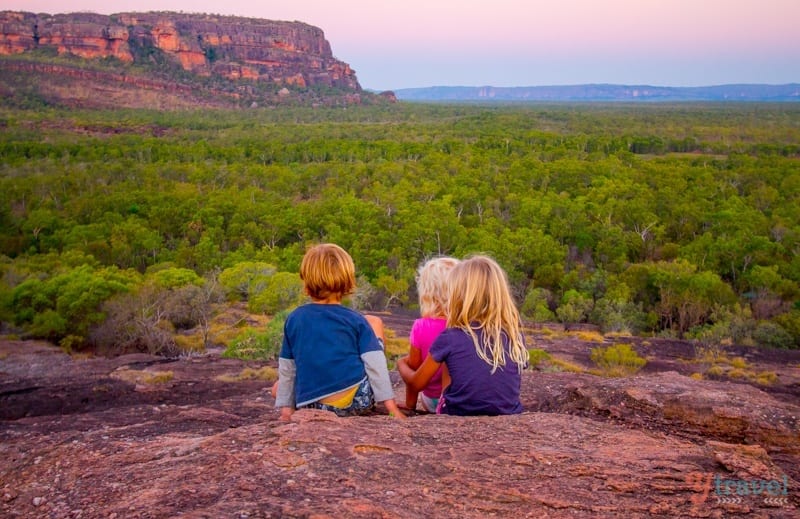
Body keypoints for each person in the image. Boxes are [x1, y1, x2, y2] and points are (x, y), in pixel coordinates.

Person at [274, 243, 405, 420]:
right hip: (356, 402)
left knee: (278, 387)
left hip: (312, 404)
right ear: (347, 282)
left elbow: (287, 368)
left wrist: (286, 413)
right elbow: (376, 365)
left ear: (306, 282)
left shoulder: (294, 319)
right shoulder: (356, 319)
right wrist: (392, 410)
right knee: (374, 327)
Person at [398, 255, 527, 416]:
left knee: (450, 359)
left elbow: (417, 383)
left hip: (455, 412)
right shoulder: (514, 336)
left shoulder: (450, 337)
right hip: (509, 412)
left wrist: (400, 364)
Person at [402, 256, 460, 413]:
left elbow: (414, 368)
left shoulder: (421, 327)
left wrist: (410, 407)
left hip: (432, 401)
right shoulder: (465, 324)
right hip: (460, 399)